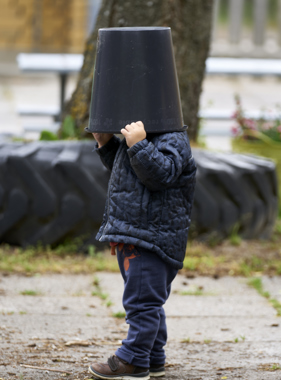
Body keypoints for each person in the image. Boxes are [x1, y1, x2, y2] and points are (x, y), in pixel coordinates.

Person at [88, 121, 196, 380]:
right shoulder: (145, 133)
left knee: (142, 302)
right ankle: (152, 356)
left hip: (153, 238)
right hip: (134, 232)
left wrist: (138, 143)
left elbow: (160, 175)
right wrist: (107, 144)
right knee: (147, 300)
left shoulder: (173, 138)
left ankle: (134, 358)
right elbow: (127, 169)